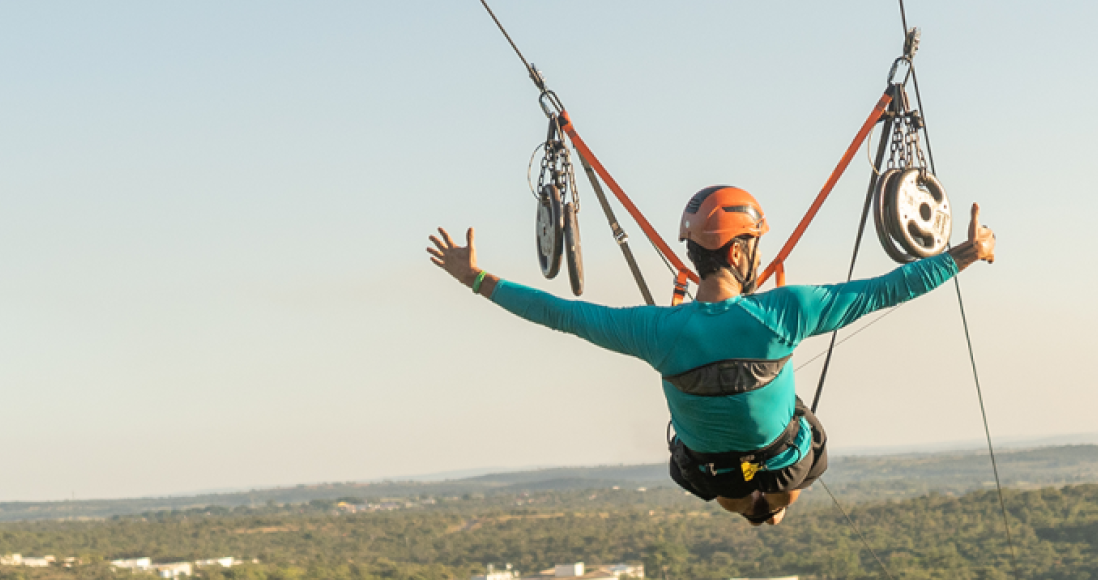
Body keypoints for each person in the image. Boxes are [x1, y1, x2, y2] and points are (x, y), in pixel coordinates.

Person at [426, 186, 996, 525]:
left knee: (742, 480)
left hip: (712, 475)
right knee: (791, 451)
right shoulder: (784, 312)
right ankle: (768, 505)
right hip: (779, 463)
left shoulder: (655, 329)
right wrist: (966, 253)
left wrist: (474, 277)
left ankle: (757, 504)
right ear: (743, 249)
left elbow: (559, 314)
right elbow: (886, 289)